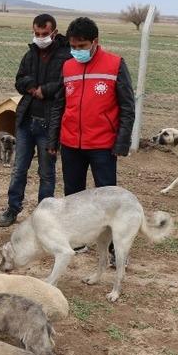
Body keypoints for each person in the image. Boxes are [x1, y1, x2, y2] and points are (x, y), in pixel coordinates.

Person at [47, 16, 135, 267]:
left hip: (103, 145)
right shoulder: (68, 66)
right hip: (71, 144)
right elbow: (59, 105)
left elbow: (127, 107)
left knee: (108, 200)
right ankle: (78, 241)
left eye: (82, 46)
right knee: (73, 197)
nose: (77, 51)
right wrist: (54, 138)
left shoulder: (115, 64)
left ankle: (114, 250)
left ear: (95, 42)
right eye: (73, 46)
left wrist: (121, 142)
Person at [0, 14, 71, 227]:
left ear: (54, 33)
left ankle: (43, 215)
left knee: (46, 173)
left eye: (44, 34)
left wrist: (44, 90)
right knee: (19, 168)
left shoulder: (66, 57)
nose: (40, 37)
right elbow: (19, 80)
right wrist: (30, 87)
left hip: (49, 123)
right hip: (26, 121)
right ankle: (13, 208)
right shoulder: (30, 55)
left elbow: (64, 85)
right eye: (37, 34)